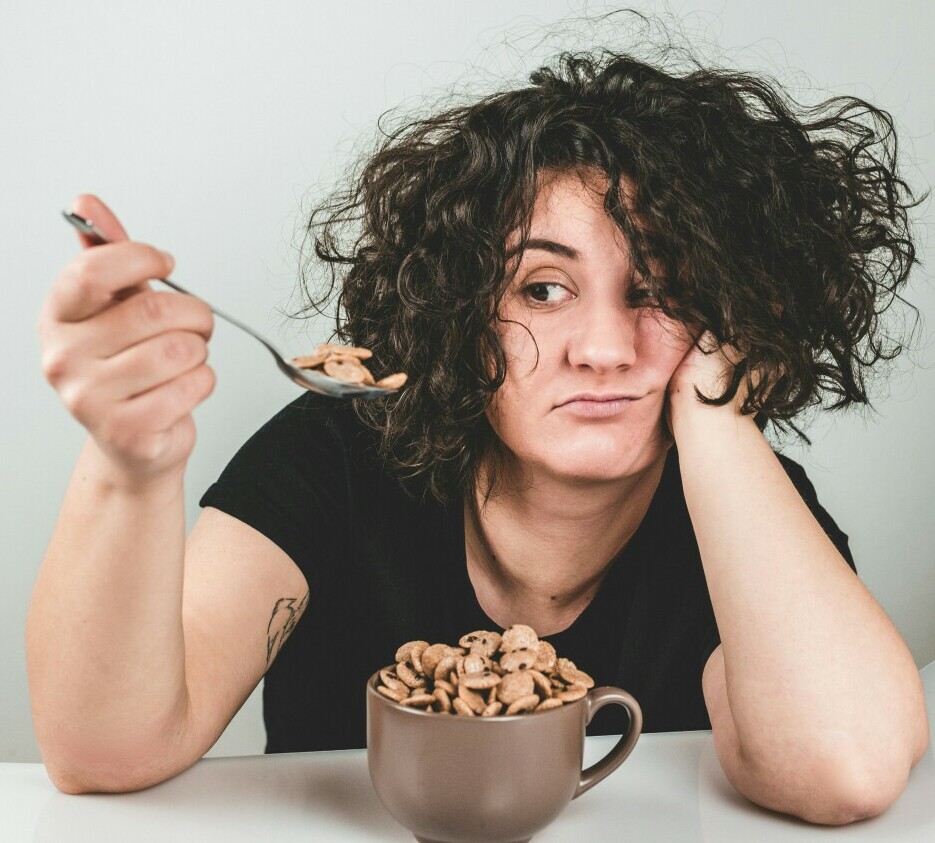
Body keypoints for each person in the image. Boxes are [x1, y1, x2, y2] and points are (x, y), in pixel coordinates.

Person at [28, 41, 928, 825]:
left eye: (659, 290)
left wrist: (722, 415)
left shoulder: (743, 508)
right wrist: (128, 464)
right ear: (461, 310)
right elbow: (105, 753)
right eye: (542, 287)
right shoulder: (334, 453)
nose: (607, 350)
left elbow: (842, 770)